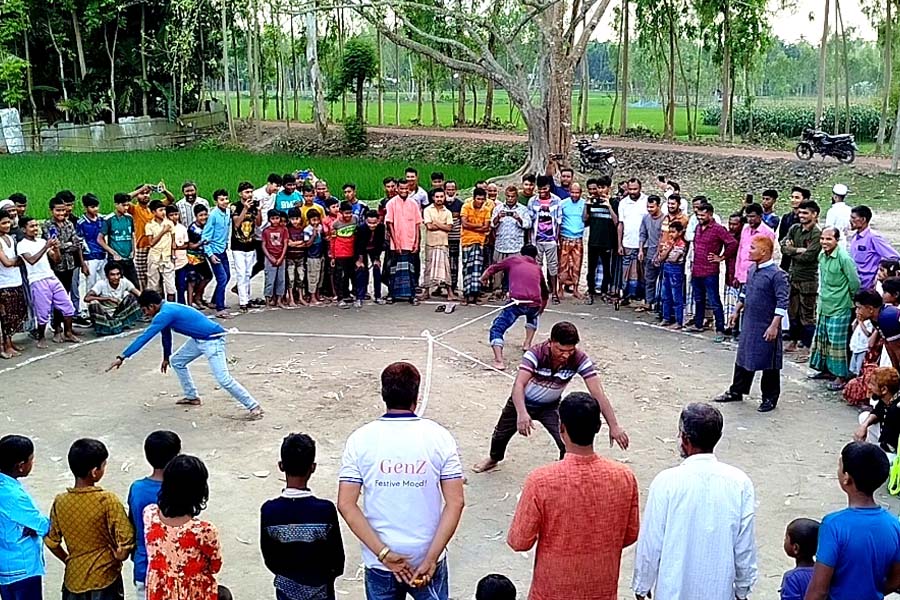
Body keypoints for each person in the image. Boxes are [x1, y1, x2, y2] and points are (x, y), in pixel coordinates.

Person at [338, 362, 465, 600]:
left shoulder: (360, 440)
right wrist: (430, 558)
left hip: (380, 562)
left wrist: (384, 553)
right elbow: (455, 502)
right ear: (416, 396)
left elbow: (346, 504)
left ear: (383, 394)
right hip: (427, 558)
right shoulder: (440, 437)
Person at [507, 391, 639, 600]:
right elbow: (630, 535)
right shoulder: (624, 477)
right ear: (598, 427)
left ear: (561, 428)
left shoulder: (541, 480)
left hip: (552, 592)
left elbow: (519, 541)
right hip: (601, 590)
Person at [632, 403, 757, 600]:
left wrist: (642, 585)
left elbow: (651, 542)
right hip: (719, 592)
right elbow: (744, 546)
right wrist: (743, 589)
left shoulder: (666, 482)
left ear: (685, 439)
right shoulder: (740, 483)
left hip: (672, 592)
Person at [473, 321, 629, 473]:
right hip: (521, 401)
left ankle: (565, 469)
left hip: (550, 406)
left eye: (570, 350)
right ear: (550, 342)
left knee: (566, 441)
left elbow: (598, 394)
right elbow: (518, 385)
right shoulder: (535, 354)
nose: (566, 355)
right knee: (500, 434)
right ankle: (494, 458)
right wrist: (521, 412)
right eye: (561, 350)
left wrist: (613, 425)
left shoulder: (579, 359)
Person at [107, 290, 264, 420]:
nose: (145, 314)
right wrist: (166, 357)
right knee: (177, 361)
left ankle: (253, 406)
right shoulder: (165, 310)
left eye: (145, 310)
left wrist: (122, 356)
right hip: (199, 339)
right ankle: (192, 396)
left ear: (152, 306)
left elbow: (145, 337)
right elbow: (165, 335)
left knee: (224, 379)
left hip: (212, 341)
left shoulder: (165, 313)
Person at [803, 442, 900, 600]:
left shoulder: (833, 525)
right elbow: (896, 579)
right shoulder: (894, 524)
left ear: (847, 478)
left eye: (840, 467)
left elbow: (818, 591)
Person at [45, 438, 135, 600]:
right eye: (104, 465)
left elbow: (52, 541)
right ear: (94, 472)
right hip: (105, 578)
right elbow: (126, 539)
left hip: (74, 580)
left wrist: (68, 560)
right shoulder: (107, 500)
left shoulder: (61, 501)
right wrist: (121, 555)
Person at [261, 433, 345, 600]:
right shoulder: (325, 510)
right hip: (321, 589)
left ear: (281, 466)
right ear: (313, 467)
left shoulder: (270, 510)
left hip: (286, 589)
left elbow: (270, 558)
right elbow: (337, 559)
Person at [714, 237, 789, 413]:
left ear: (763, 252)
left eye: (753, 248)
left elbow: (782, 302)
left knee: (768, 362)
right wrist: (736, 310)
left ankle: (769, 398)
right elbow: (745, 291)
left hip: (766, 324)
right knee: (743, 356)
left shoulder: (777, 275)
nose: (749, 251)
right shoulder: (752, 269)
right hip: (749, 322)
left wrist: (774, 325)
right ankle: (736, 390)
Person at [144, 455, 229, 600]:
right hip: (193, 592)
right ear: (199, 491)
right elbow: (215, 566)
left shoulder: (150, 514)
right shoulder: (204, 531)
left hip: (159, 590)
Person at [127, 431, 181, 600]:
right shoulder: (181, 488)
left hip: (145, 565)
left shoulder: (137, 489)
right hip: (177, 565)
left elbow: (132, 524)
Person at [481, 245, 549, 370]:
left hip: (516, 302)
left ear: (521, 254)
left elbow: (494, 268)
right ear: (535, 257)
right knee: (533, 317)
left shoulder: (514, 260)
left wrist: (483, 278)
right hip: (534, 302)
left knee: (497, 328)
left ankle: (499, 361)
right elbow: (545, 293)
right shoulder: (537, 268)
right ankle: (527, 344)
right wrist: (541, 309)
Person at [0, 434, 50, 600]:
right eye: (31, 459)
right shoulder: (13, 496)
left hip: (5, 566)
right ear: (20, 466)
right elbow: (42, 526)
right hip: (21, 568)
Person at [809, 227, 860, 391]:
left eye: (829, 239)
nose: (824, 242)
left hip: (840, 306)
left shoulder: (844, 258)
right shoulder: (822, 256)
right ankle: (826, 370)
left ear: (837, 240)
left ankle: (840, 376)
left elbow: (855, 283)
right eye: (822, 239)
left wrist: (850, 301)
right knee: (823, 340)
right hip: (824, 304)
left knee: (837, 343)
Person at [17, 216, 79, 348]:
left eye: (36, 226)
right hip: (37, 280)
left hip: (51, 277)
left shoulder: (41, 241)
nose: (35, 229)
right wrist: (46, 246)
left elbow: (56, 260)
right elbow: (32, 260)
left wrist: (55, 249)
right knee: (43, 312)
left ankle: (68, 332)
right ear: (24, 229)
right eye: (32, 226)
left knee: (68, 306)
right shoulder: (22, 245)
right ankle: (41, 337)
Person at [690, 202, 738, 342]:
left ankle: (720, 329)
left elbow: (732, 243)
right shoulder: (698, 227)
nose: (700, 217)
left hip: (710, 270)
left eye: (703, 215)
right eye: (698, 215)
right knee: (698, 299)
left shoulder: (718, 229)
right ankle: (698, 323)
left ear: (710, 214)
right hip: (697, 269)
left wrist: (722, 257)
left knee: (714, 300)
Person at [781, 200, 822, 360]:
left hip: (808, 279)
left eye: (806, 213)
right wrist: (797, 250)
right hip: (793, 277)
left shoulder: (817, 234)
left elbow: (809, 256)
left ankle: (806, 347)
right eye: (800, 212)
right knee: (793, 312)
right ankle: (793, 340)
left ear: (814, 214)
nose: (801, 216)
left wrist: (793, 251)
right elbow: (784, 247)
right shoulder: (794, 228)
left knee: (807, 314)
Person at [45, 196, 88, 329]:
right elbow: (54, 244)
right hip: (56, 266)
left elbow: (76, 243)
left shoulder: (69, 224)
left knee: (67, 295)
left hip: (70, 265)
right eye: (58, 210)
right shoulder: (48, 225)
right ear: (52, 210)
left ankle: (66, 326)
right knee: (57, 296)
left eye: (63, 210)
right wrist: (68, 245)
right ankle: (56, 325)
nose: (61, 213)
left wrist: (66, 245)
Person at [385, 181, 423, 305]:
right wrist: (396, 243)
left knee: (411, 270)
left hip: (410, 242)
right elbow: (389, 223)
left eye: (406, 188)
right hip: (396, 243)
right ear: (397, 189)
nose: (404, 191)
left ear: (409, 189)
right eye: (401, 188)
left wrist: (417, 242)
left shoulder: (413, 204)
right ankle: (392, 294)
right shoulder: (391, 203)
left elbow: (418, 224)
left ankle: (411, 295)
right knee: (394, 270)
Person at [584, 176, 619, 303]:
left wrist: (609, 205)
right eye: (599, 187)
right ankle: (591, 291)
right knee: (591, 268)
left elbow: (616, 222)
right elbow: (585, 219)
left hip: (607, 241)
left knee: (606, 268)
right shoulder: (593, 201)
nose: (600, 190)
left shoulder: (614, 202)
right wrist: (586, 205)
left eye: (603, 187)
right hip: (593, 241)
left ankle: (605, 291)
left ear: (609, 188)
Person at [490, 186, 531, 294]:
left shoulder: (522, 209)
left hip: (516, 245)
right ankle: (497, 291)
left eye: (512, 196)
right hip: (501, 244)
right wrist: (498, 217)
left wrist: (518, 218)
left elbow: (528, 225)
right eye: (508, 196)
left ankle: (514, 291)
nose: (510, 199)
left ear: (516, 197)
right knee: (498, 270)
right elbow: (492, 224)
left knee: (515, 270)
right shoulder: (498, 208)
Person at [848, 205, 900, 290]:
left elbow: (894, 257)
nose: (850, 221)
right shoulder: (855, 237)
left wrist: (880, 274)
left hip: (868, 287)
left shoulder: (873, 238)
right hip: (856, 284)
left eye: (853, 218)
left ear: (863, 220)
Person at [84, 261, 142, 336]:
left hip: (118, 313)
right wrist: (108, 299)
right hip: (104, 314)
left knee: (132, 297)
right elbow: (87, 298)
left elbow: (139, 294)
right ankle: (104, 327)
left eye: (118, 274)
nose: (116, 277)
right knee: (93, 303)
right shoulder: (101, 284)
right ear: (107, 276)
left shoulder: (124, 282)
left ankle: (121, 323)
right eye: (112, 275)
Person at [854, 366, 900, 458]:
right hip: (888, 443)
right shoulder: (888, 398)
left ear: (884, 390)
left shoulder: (895, 410)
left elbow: (890, 445)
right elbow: (878, 410)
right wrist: (864, 426)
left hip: (894, 450)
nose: (869, 387)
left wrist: (865, 448)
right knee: (864, 417)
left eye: (873, 384)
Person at [201, 189, 233, 319]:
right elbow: (205, 236)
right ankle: (220, 308)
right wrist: (210, 254)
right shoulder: (213, 215)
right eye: (221, 199)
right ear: (216, 201)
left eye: (226, 199)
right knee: (222, 278)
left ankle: (215, 300)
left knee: (227, 276)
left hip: (222, 250)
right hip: (214, 251)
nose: (225, 202)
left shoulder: (228, 212)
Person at [617, 178, 648, 305]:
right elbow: (620, 224)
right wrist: (619, 244)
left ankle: (642, 297)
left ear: (640, 188)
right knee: (626, 272)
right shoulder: (623, 203)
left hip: (643, 244)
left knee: (642, 271)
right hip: (627, 243)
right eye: (630, 189)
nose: (633, 191)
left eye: (635, 189)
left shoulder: (646, 201)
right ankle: (626, 295)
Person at [98, 193, 139, 288]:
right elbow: (100, 239)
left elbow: (132, 235)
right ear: (116, 205)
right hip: (115, 260)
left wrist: (133, 250)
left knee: (135, 285)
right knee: (116, 285)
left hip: (128, 258)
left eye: (127, 205)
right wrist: (113, 253)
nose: (126, 208)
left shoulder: (129, 218)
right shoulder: (109, 219)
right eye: (123, 205)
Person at [0, 212, 26, 358]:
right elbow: (7, 262)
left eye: (8, 223)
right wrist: (22, 259)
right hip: (3, 283)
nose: (7, 226)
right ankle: (5, 346)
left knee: (15, 314)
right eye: (3, 223)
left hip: (15, 280)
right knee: (5, 317)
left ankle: (9, 342)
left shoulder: (9, 238)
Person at [461, 188, 493, 305]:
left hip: (479, 242)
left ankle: (475, 294)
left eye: (482, 199)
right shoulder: (466, 207)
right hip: (466, 241)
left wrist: (473, 226)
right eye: (478, 199)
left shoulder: (486, 210)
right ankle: (466, 294)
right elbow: (464, 224)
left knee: (477, 268)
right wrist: (479, 226)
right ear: (474, 198)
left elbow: (486, 227)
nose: (480, 201)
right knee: (467, 268)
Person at [733, 203, 776, 290]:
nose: (750, 220)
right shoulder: (745, 230)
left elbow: (768, 256)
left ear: (760, 216)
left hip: (757, 276)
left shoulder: (768, 232)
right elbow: (740, 252)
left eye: (753, 216)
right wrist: (736, 274)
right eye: (748, 217)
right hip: (742, 275)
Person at [232, 182, 260, 311]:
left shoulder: (253, 206)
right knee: (241, 273)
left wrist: (258, 210)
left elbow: (258, 223)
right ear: (240, 194)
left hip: (251, 244)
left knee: (248, 273)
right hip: (238, 245)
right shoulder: (235, 206)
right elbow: (237, 224)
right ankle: (243, 301)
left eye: (250, 192)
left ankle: (247, 298)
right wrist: (245, 208)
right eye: (246, 192)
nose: (249, 194)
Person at [423, 189, 455, 301]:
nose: (439, 199)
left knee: (446, 269)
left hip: (443, 243)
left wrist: (436, 223)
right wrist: (442, 225)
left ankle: (450, 293)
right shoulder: (427, 210)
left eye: (442, 196)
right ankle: (426, 292)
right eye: (437, 197)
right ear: (433, 198)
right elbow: (429, 227)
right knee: (428, 268)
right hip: (430, 243)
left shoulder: (448, 212)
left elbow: (449, 228)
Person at [656, 220, 687, 328]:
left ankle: (679, 321)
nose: (671, 234)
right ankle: (666, 318)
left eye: (673, 232)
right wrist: (668, 250)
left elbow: (674, 259)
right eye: (670, 232)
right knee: (665, 295)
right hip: (667, 268)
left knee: (676, 296)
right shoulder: (670, 242)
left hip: (675, 270)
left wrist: (667, 251)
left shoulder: (681, 244)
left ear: (679, 233)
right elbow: (661, 257)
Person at [557, 182, 585, 299]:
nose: (574, 194)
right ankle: (560, 288)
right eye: (572, 192)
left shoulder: (584, 204)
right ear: (569, 192)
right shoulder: (563, 204)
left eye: (577, 192)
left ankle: (576, 288)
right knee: (563, 264)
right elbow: (558, 221)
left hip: (578, 238)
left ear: (581, 193)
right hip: (565, 237)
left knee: (577, 264)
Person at [637, 195, 665, 312]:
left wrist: (659, 254)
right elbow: (643, 234)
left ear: (658, 206)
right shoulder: (646, 218)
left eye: (652, 207)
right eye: (648, 207)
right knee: (649, 279)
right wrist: (640, 250)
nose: (649, 209)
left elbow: (663, 238)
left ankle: (661, 305)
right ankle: (648, 302)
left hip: (663, 255)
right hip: (649, 252)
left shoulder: (665, 219)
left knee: (663, 282)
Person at [76, 194, 107, 296]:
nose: (95, 209)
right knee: (91, 284)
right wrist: (83, 263)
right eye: (92, 207)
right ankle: (90, 306)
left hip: (103, 255)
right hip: (90, 257)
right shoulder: (81, 223)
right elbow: (79, 244)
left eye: (97, 206)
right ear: (85, 208)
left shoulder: (102, 219)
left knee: (105, 282)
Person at [779, 518, 818, 600]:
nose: (784, 540)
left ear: (795, 548)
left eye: (786, 538)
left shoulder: (792, 578)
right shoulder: (825, 572)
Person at [145, 200, 176, 301]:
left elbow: (173, 241)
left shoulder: (169, 223)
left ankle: (171, 308)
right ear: (153, 212)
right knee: (154, 285)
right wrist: (163, 231)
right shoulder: (149, 225)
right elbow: (151, 243)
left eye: (164, 210)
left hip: (167, 258)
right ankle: (157, 308)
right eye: (160, 210)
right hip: (154, 258)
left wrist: (173, 255)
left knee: (171, 286)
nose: (163, 212)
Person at [355, 210, 386, 307]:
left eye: (374, 223)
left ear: (378, 221)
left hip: (374, 249)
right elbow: (359, 245)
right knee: (361, 271)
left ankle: (378, 296)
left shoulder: (381, 227)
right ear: (365, 221)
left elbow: (380, 243)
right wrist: (359, 260)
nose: (372, 226)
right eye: (369, 223)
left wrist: (377, 258)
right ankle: (359, 297)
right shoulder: (361, 228)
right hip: (362, 250)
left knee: (377, 269)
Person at [330, 202, 359, 308]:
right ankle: (340, 298)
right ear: (341, 213)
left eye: (350, 213)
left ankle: (350, 295)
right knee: (340, 276)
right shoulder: (335, 224)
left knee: (351, 274)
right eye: (346, 213)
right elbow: (332, 241)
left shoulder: (355, 219)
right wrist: (333, 256)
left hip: (352, 252)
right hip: (340, 253)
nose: (348, 215)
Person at [186, 204, 212, 309]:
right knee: (192, 280)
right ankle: (190, 304)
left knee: (207, 276)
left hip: (202, 256)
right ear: (196, 216)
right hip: (192, 258)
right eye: (201, 215)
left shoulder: (207, 226)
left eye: (205, 215)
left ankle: (198, 297)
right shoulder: (192, 229)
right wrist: (201, 243)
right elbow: (190, 245)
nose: (204, 217)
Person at [262, 209, 289, 308]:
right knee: (270, 279)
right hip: (270, 258)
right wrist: (270, 257)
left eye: (277, 218)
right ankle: (268, 301)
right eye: (273, 219)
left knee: (281, 280)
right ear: (269, 219)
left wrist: (281, 257)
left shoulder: (284, 230)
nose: (275, 221)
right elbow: (264, 245)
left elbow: (285, 244)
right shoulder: (266, 231)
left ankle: (279, 300)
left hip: (281, 257)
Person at [779, 187, 809, 270]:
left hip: (802, 264)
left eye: (797, 198)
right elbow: (781, 239)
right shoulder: (786, 218)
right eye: (792, 197)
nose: (793, 200)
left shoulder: (808, 220)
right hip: (786, 261)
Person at [284, 208, 308, 307]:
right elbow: (288, 243)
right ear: (289, 219)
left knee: (301, 277)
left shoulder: (303, 229)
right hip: (290, 257)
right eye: (292, 219)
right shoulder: (287, 229)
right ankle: (291, 298)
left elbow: (305, 242)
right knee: (291, 278)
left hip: (301, 257)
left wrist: (295, 244)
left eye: (297, 218)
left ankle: (301, 297)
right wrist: (298, 243)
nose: (295, 221)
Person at [444, 180, 464, 292]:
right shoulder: (441, 203)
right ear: (445, 190)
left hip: (455, 237)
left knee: (453, 263)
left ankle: (453, 285)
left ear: (455, 190)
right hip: (442, 238)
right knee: (443, 262)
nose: (450, 191)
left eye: (452, 189)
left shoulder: (460, 204)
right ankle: (441, 285)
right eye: (448, 189)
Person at [304, 209, 327, 304]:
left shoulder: (320, 227)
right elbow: (307, 244)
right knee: (313, 276)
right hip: (312, 257)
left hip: (320, 255)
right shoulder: (307, 230)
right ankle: (312, 297)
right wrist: (313, 235)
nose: (316, 222)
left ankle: (317, 294)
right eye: (313, 220)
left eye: (317, 220)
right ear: (309, 220)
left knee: (320, 276)